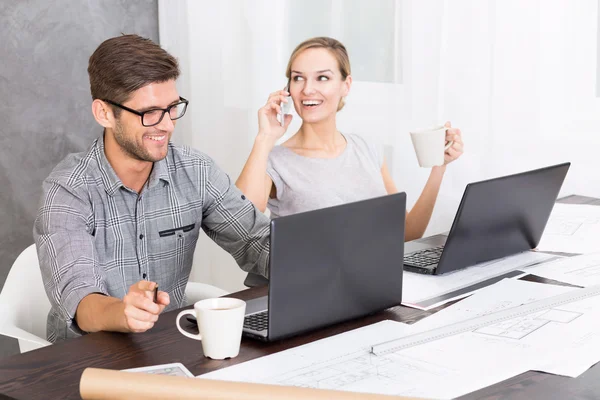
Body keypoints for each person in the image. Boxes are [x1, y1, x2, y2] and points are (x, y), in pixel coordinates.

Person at [33, 35, 270, 343]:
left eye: (172, 108)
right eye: (149, 113)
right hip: (84, 361)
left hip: (168, 344)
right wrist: (123, 312)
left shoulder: (195, 171)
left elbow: (257, 241)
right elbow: (80, 300)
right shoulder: (68, 190)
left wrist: (333, 261)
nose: (167, 125)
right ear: (104, 113)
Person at [237, 36, 464, 240]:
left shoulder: (367, 149)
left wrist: (439, 168)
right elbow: (239, 222)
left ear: (346, 85)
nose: (307, 89)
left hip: (364, 280)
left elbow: (406, 232)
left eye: (322, 78)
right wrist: (265, 138)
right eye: (298, 78)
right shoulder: (274, 160)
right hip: (308, 284)